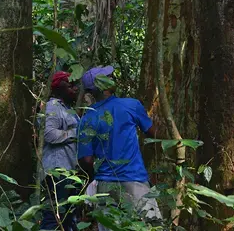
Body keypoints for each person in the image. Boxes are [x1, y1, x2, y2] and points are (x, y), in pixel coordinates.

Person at [77, 66, 161, 227]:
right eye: (110, 77)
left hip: (104, 186)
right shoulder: (130, 105)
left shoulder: (87, 118)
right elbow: (153, 133)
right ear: (104, 84)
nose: (113, 78)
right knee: (151, 226)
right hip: (134, 180)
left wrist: (96, 176)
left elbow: (86, 160)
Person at [40, 71, 80, 231]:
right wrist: (76, 134)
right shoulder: (53, 106)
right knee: (55, 217)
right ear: (58, 88)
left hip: (69, 170)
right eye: (70, 85)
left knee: (68, 217)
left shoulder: (67, 109)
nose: (75, 89)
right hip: (58, 170)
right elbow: (48, 133)